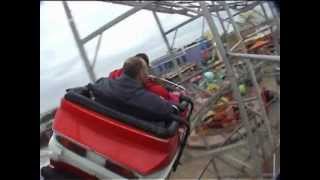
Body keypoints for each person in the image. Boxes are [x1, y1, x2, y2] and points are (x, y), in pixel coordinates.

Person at [92, 56, 175, 123]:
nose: (148, 74)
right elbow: (169, 110)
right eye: (146, 70)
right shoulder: (145, 98)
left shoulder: (102, 83)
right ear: (141, 74)